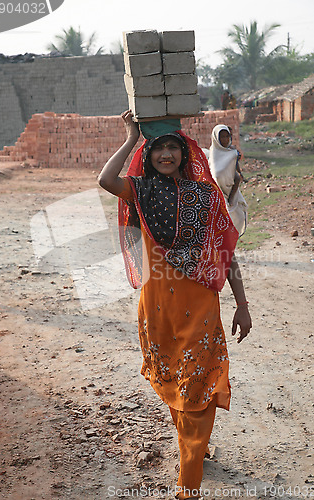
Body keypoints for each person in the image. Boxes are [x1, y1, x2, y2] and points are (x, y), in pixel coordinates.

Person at [98, 110, 252, 500]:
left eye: (173, 148)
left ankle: (190, 483)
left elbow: (224, 252)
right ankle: (194, 451)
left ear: (185, 154)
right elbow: (105, 180)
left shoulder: (205, 196)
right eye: (159, 148)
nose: (166, 154)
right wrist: (132, 136)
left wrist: (242, 304)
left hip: (200, 305)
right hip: (158, 310)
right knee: (177, 384)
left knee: (201, 383)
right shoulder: (141, 192)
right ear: (149, 155)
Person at [208, 124, 248, 237]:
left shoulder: (232, 153)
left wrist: (239, 174)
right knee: (221, 222)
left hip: (230, 190)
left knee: (238, 217)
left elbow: (235, 170)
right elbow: (215, 174)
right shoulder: (214, 154)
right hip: (217, 193)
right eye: (222, 137)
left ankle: (232, 247)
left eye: (227, 136)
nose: (225, 140)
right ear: (216, 138)